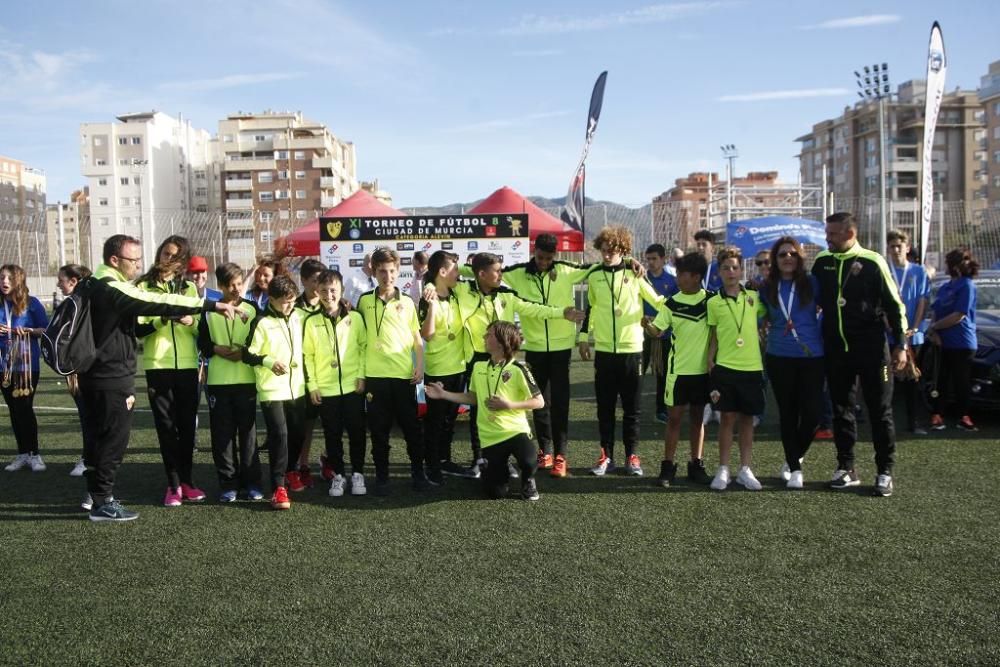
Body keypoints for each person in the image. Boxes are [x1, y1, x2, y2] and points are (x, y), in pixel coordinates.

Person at [77, 234, 242, 522]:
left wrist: (193, 317)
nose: (139, 264)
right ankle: (105, 498)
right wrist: (209, 305)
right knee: (113, 439)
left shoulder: (94, 282)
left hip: (106, 371)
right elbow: (155, 302)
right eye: (133, 259)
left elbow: (187, 325)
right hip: (114, 373)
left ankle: (101, 495)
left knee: (101, 437)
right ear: (115, 260)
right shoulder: (114, 286)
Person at [439, 252, 583, 477]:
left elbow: (534, 308)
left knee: (504, 407)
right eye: (496, 271)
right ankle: (480, 458)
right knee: (480, 409)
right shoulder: (463, 290)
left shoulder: (506, 294)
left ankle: (504, 459)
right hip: (476, 359)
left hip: (503, 360)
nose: (501, 274)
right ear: (482, 274)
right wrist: (428, 285)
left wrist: (561, 313)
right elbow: (442, 282)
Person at [812, 212, 907, 498]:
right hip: (837, 350)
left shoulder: (873, 261)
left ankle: (884, 471)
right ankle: (846, 468)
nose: (826, 238)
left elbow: (895, 305)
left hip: (873, 352)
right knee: (841, 409)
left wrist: (900, 344)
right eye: (826, 233)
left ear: (850, 234)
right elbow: (809, 299)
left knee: (880, 410)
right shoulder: (822, 262)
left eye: (832, 234)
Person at [498, 233, 603, 477]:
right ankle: (544, 452)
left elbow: (598, 266)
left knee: (560, 403)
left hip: (561, 349)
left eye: (548, 258)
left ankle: (560, 456)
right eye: (540, 257)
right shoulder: (518, 272)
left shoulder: (566, 270)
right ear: (534, 251)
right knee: (539, 403)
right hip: (534, 348)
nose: (544, 262)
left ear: (555, 256)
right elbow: (481, 270)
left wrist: (631, 263)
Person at [578, 225, 666, 477]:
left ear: (623, 250)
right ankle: (606, 456)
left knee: (632, 408)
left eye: (612, 251)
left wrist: (669, 317)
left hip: (632, 350)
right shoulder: (594, 275)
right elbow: (592, 309)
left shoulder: (634, 272)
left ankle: (632, 457)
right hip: (604, 351)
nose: (606, 255)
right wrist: (583, 337)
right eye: (603, 251)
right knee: (604, 408)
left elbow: (657, 301)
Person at [425, 320, 544, 501]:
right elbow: (472, 398)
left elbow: (539, 402)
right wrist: (443, 394)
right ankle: (500, 468)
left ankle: (528, 480)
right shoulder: (479, 367)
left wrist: (509, 405)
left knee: (529, 462)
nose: (484, 337)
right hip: (490, 437)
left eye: (489, 334)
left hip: (515, 431)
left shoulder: (519, 369)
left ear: (502, 340)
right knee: (495, 493)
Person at [134, 235, 206, 507]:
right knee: (167, 427)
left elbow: (201, 328)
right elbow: (139, 329)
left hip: (187, 366)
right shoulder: (143, 286)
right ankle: (173, 484)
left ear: (183, 261)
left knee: (187, 427)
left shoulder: (188, 288)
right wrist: (161, 319)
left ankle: (187, 481)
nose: (168, 259)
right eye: (165, 253)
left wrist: (190, 321)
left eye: (175, 256)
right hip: (159, 366)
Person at [357, 247, 426, 495]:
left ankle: (419, 473)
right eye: (382, 271)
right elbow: (358, 339)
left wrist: (419, 365)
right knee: (378, 431)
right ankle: (383, 477)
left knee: (412, 429)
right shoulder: (364, 301)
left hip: (403, 376)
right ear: (374, 272)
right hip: (375, 378)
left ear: (398, 271)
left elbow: (417, 339)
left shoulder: (407, 302)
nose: (387, 276)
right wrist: (361, 375)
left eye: (392, 271)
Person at [757, 237, 824, 490]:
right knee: (788, 413)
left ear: (800, 258)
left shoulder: (812, 283)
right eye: (782, 254)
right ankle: (795, 468)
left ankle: (794, 455)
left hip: (812, 356)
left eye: (792, 254)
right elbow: (758, 312)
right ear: (775, 260)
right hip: (779, 356)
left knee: (813, 414)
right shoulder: (766, 286)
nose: (788, 258)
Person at [644, 252, 713, 487]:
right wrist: (649, 326)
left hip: (703, 373)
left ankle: (697, 464)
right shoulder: (671, 302)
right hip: (677, 373)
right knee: (674, 419)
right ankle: (668, 467)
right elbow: (659, 331)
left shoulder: (711, 301)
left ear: (695, 277)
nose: (678, 278)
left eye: (682, 274)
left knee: (697, 419)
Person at [197, 262, 262, 502]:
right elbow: (201, 343)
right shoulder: (210, 310)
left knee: (248, 434)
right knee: (223, 436)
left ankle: (252, 483)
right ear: (221, 286)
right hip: (218, 382)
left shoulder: (254, 309)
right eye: (231, 285)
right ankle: (228, 484)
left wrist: (243, 353)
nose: (236, 288)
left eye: (239, 283)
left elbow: (261, 340)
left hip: (246, 380)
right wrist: (215, 348)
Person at [243, 275, 307, 510]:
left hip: (298, 388)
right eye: (285, 302)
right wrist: (269, 362)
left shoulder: (299, 316)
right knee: (279, 436)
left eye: (292, 300)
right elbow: (247, 354)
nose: (290, 306)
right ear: (271, 299)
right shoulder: (261, 321)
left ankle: (291, 471)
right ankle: (278, 487)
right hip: (272, 390)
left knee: (298, 433)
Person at [303, 269, 369, 497]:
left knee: (357, 432)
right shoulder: (311, 321)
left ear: (341, 290)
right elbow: (308, 356)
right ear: (317, 291)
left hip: (353, 386)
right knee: (332, 435)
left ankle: (358, 473)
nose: (329, 295)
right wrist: (312, 385)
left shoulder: (356, 317)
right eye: (324, 290)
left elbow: (363, 348)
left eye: (333, 290)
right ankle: (338, 476)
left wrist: (361, 375)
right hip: (326, 389)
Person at [705, 246, 764, 491]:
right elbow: (713, 335)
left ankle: (745, 469)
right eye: (726, 268)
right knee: (727, 418)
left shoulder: (754, 298)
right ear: (719, 272)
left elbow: (767, 316)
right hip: (725, 367)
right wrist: (710, 360)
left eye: (735, 267)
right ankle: (723, 468)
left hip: (752, 367)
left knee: (747, 419)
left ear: (742, 270)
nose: (731, 271)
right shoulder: (714, 302)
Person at [418, 251, 469, 484]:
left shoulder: (457, 292)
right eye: (454, 269)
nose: (458, 274)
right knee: (435, 422)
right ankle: (431, 464)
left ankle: (445, 459)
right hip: (437, 369)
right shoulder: (427, 297)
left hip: (458, 366)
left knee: (450, 420)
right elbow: (426, 335)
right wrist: (431, 306)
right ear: (442, 272)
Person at [1, 264, 49, 473]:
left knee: (24, 409)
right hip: (3, 365)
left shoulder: (32, 304)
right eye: (2, 278)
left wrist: (27, 330)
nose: (4, 282)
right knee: (13, 409)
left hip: (27, 366)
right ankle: (22, 453)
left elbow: (46, 330)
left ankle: (34, 454)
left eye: (9, 279)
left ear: (18, 281)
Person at [927, 248, 979, 432]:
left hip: (962, 343)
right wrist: (934, 332)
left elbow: (959, 315)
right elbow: (935, 309)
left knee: (961, 381)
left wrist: (935, 327)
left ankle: (964, 417)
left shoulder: (967, 285)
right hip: (942, 342)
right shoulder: (945, 286)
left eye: (947, 263)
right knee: (939, 380)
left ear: (954, 266)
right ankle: (937, 415)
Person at [886, 230, 931, 434]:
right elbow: (880, 302)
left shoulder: (918, 272)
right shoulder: (884, 270)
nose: (896, 250)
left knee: (912, 379)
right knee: (887, 378)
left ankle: (913, 423)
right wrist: (890, 326)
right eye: (892, 246)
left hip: (914, 335)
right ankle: (886, 423)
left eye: (899, 246)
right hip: (889, 334)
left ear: (907, 248)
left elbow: (922, 300)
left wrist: (914, 326)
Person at [55, 264, 93, 480]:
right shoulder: (76, 303)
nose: (58, 284)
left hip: (86, 370)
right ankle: (88, 458)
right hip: (79, 370)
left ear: (74, 281)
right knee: (86, 417)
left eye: (61, 279)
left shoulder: (79, 304)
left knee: (89, 418)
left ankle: (89, 460)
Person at [293, 258, 326, 489]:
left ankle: (328, 459)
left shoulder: (332, 304)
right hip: (301, 376)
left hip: (328, 374)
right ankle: (302, 465)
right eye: (314, 280)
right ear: (303, 280)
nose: (318, 285)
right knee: (306, 424)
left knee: (333, 422)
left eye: (321, 280)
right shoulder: (292, 306)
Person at [640, 243, 678, 425]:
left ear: (663, 259)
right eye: (648, 259)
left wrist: (663, 323)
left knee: (663, 374)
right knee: (636, 373)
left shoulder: (672, 281)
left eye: (654, 258)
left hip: (664, 334)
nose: (651, 262)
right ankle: (633, 409)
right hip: (641, 334)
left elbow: (675, 307)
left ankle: (661, 410)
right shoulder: (641, 278)